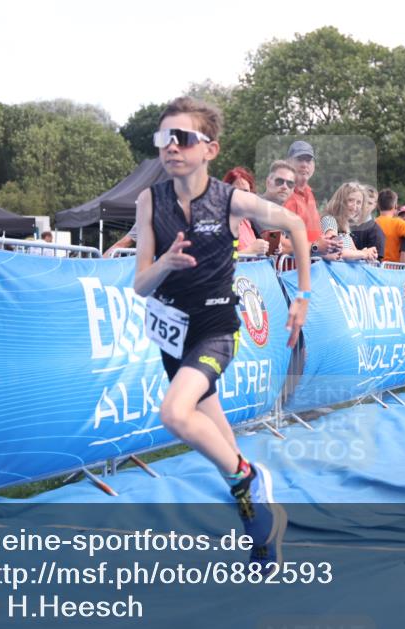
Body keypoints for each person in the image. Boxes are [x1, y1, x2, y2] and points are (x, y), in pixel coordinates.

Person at [133, 97, 312, 569]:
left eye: (183, 138)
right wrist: (165, 264)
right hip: (172, 335)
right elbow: (139, 284)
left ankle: (248, 478)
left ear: (209, 149)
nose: (171, 147)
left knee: (175, 413)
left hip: (215, 329)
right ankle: (263, 530)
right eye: (163, 138)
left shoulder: (230, 199)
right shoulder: (150, 201)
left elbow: (294, 223)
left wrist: (303, 295)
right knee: (220, 441)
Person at [319, 182, 378, 262]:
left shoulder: (345, 224)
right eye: (350, 200)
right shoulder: (330, 220)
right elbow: (337, 252)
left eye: (358, 202)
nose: (355, 206)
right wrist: (363, 253)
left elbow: (353, 252)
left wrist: (367, 253)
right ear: (341, 201)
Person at [223, 167, 269, 255]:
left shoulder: (246, 220)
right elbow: (221, 260)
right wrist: (251, 250)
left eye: (246, 191)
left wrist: (267, 248)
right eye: (236, 191)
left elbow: (254, 252)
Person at [283, 140, 322, 244]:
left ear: (313, 166)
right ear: (287, 163)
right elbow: (277, 241)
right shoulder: (282, 194)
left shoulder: (309, 193)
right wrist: (316, 248)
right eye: (300, 159)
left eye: (308, 160)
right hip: (293, 260)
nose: (304, 165)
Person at [348, 184, 385, 259]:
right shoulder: (344, 223)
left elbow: (375, 263)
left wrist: (361, 254)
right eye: (363, 202)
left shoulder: (376, 231)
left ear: (375, 205)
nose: (366, 206)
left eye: (370, 203)